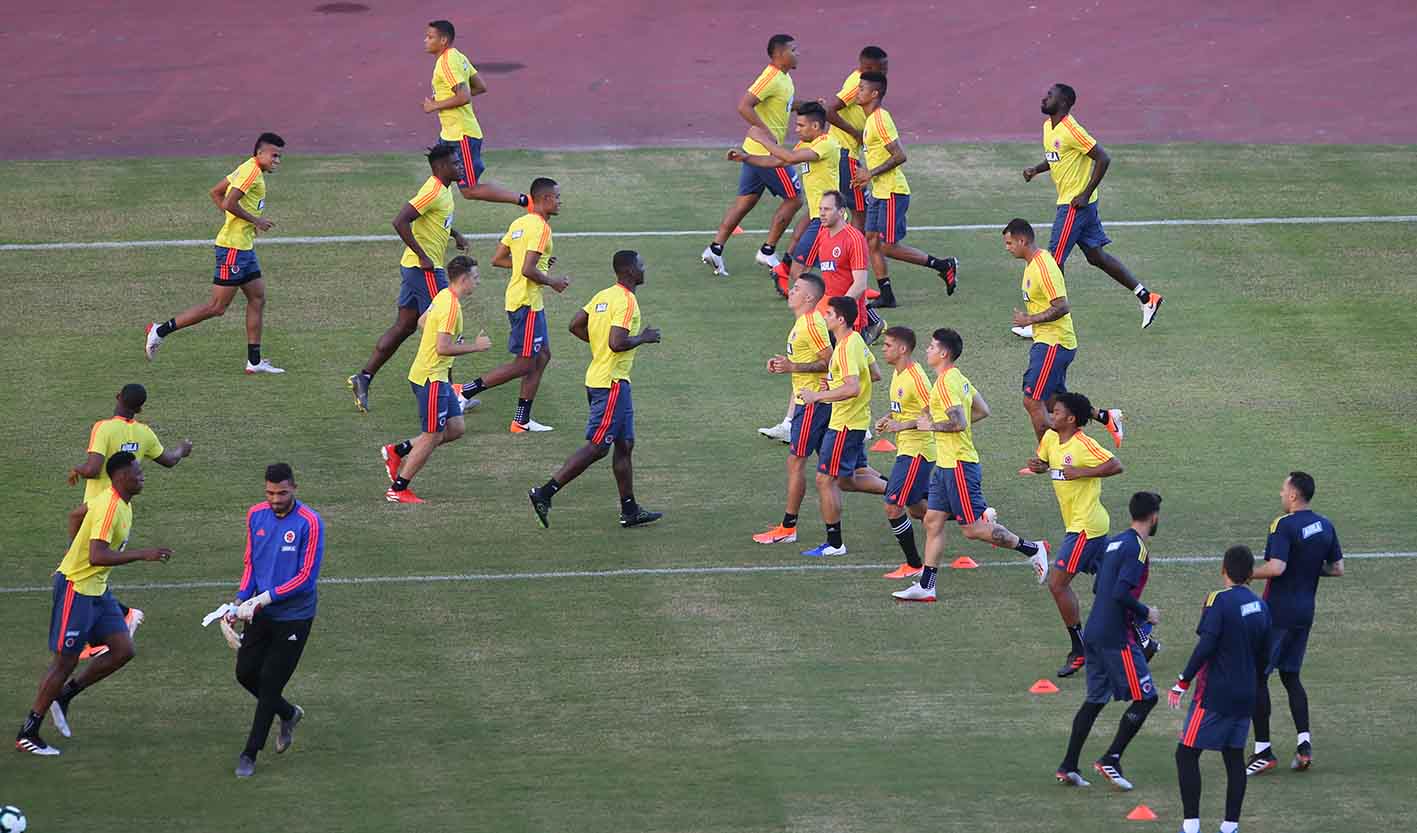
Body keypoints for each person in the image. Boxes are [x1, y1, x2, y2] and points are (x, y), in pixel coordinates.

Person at [15, 453, 173, 756]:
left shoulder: (118, 501)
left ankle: (64, 696)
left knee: (123, 650)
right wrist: (143, 554)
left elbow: (76, 515)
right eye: (137, 472)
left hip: (98, 591)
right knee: (65, 661)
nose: (142, 476)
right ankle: (28, 732)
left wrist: (73, 548)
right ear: (121, 477)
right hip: (77, 588)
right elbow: (97, 555)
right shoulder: (111, 507)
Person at [892, 328, 1047, 602]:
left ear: (943, 353)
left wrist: (933, 427)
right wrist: (910, 424)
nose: (927, 350)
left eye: (931, 346)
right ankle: (927, 586)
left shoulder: (945, 384)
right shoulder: (957, 378)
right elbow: (982, 410)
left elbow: (959, 422)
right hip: (945, 466)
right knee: (932, 521)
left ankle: (1033, 549)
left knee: (973, 529)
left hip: (959, 466)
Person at [528, 252, 663, 528]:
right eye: (640, 264)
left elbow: (575, 325)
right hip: (611, 384)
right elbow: (617, 343)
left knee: (624, 444)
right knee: (599, 447)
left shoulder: (603, 295)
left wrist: (599, 343)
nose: (644, 268)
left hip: (605, 380)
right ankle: (544, 493)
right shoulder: (627, 301)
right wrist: (644, 338)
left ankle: (630, 509)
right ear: (629, 271)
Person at [1022, 83, 1163, 331]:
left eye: (1050, 96)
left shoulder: (1072, 130)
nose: (1044, 98)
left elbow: (1103, 157)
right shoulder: (1048, 127)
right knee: (1096, 256)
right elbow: (1057, 157)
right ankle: (1146, 297)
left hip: (1074, 205)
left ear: (1063, 103)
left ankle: (1049, 319)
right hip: (1079, 204)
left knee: (1053, 261)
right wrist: (1036, 169)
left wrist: (1085, 194)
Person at [66, 383, 191, 659]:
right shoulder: (144, 433)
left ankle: (99, 634)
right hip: (121, 514)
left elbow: (93, 468)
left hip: (97, 510)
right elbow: (169, 460)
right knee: (89, 573)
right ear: (140, 408)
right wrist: (182, 449)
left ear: (118, 397)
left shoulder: (103, 428)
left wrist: (77, 469)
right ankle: (119, 618)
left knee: (80, 574)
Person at [145, 133, 287, 374]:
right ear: (260, 153)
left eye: (279, 157)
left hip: (244, 248)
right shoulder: (251, 173)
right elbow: (229, 202)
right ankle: (159, 331)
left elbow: (215, 192)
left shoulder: (247, 167)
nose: (277, 161)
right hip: (232, 250)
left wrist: (239, 222)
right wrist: (255, 221)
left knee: (257, 298)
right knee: (217, 307)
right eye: (274, 156)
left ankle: (254, 362)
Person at [348, 146, 471, 412]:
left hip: (415, 269)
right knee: (444, 327)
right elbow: (400, 221)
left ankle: (363, 377)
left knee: (404, 326)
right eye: (455, 163)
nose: (460, 166)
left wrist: (455, 234)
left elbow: (435, 219)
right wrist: (423, 256)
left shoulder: (444, 189)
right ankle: (450, 395)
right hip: (426, 271)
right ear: (441, 167)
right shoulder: (433, 191)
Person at [1055, 491, 1163, 790]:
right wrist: (1147, 612)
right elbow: (1119, 593)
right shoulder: (1137, 549)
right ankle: (1111, 759)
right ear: (1153, 517)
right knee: (1147, 697)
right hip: (1116, 637)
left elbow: (1099, 587)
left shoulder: (1116, 542)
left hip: (1093, 632)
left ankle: (1068, 766)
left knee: (1095, 699)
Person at [227, 463, 324, 778]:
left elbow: (306, 578)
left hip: (294, 617)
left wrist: (263, 598)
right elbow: (250, 564)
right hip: (260, 612)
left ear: (294, 488)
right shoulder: (256, 515)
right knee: (245, 673)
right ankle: (288, 713)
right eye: (270, 493)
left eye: (282, 493)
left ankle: (250, 752)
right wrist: (239, 601)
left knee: (269, 682)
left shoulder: (310, 522)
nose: (275, 499)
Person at [1168, 546, 1272, 833]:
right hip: (1247, 695)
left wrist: (1182, 681)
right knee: (1234, 756)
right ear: (1251, 574)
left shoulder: (1217, 600)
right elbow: (1265, 657)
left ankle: (1191, 827)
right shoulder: (1261, 606)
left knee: (1186, 754)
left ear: (1223, 569)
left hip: (1215, 694)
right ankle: (1230, 827)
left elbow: (1207, 645)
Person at [756, 192, 874, 443]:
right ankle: (790, 423)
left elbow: (860, 283)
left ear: (841, 212)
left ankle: (859, 425)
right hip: (825, 316)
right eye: (820, 208)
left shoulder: (854, 238)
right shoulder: (822, 233)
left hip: (847, 319)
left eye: (827, 209)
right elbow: (805, 268)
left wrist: (839, 311)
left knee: (850, 372)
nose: (821, 213)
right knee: (807, 362)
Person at [1247, 471, 1344, 775]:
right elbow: (1337, 568)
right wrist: (1308, 569)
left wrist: (1246, 574)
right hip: (1305, 613)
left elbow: (1277, 567)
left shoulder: (1283, 525)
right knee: (1291, 676)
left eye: (1283, 489)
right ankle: (1304, 746)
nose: (1280, 494)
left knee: (1257, 678)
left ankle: (1263, 751)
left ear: (1293, 495)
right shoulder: (1325, 525)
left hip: (1278, 613)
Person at [456, 178, 570, 432]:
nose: (560, 202)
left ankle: (521, 420)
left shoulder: (520, 223)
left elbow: (498, 259)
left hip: (525, 301)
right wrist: (552, 281)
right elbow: (528, 269)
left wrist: (541, 266)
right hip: (526, 303)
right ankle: (464, 391)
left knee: (542, 356)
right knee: (525, 364)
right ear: (545, 199)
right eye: (557, 197)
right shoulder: (541, 228)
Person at [1002, 218, 1125, 446]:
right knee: (1055, 403)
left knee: (1032, 401)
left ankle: (1047, 456)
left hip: (1053, 343)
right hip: (1048, 341)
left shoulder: (1044, 267)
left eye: (1009, 243)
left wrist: (1029, 320)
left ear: (1022, 240)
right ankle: (1105, 417)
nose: (1007, 248)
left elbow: (1062, 306)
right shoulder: (1032, 264)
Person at [1026, 392, 1123, 676]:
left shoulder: (1084, 444)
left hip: (1086, 527)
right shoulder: (1050, 439)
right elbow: (1047, 463)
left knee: (1057, 584)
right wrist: (1040, 467)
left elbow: (1116, 465)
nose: (1050, 415)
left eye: (1056, 412)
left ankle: (1080, 649)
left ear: (1070, 419)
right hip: (1080, 524)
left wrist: (1081, 471)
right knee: (1111, 585)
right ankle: (1143, 637)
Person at [382, 257, 491, 503]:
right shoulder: (451, 307)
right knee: (431, 435)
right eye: (475, 277)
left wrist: (439, 338)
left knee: (456, 428)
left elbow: (423, 321)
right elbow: (443, 348)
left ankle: (397, 451)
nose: (478, 282)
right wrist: (476, 346)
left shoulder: (443, 295)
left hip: (434, 375)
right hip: (431, 379)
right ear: (463, 279)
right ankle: (398, 489)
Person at [850, 72, 958, 308]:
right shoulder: (870, 120)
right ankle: (887, 295)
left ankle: (943, 265)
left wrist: (870, 173)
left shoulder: (880, 119)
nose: (857, 92)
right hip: (879, 192)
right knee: (872, 241)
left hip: (892, 192)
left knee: (887, 246)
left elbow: (900, 155)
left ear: (874, 94)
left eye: (862, 89)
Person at [701, 34, 802, 277]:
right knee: (795, 199)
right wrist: (766, 133)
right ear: (779, 55)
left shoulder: (784, 78)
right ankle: (768, 251)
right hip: (766, 153)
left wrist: (811, 106)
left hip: (753, 151)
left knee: (745, 202)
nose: (798, 53)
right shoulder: (770, 77)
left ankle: (715, 249)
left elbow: (785, 104)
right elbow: (744, 105)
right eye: (793, 50)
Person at [798, 296, 886, 556]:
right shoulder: (856, 340)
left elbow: (853, 387)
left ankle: (835, 544)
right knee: (847, 479)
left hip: (844, 424)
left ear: (841, 319)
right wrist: (835, 384)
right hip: (854, 421)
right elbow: (874, 374)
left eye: (828, 314)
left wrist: (818, 396)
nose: (824, 317)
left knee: (825, 479)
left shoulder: (846, 347)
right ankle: (904, 490)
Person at [752, 274, 833, 545]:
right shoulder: (802, 323)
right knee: (847, 475)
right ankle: (914, 497)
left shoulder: (812, 324)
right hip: (808, 403)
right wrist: (783, 364)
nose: (791, 290)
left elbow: (830, 362)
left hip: (812, 404)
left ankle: (788, 528)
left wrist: (793, 367)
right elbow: (806, 359)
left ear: (809, 297)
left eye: (796, 288)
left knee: (796, 461)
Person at [728, 101, 840, 296]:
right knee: (814, 269)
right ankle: (838, 304)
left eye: (800, 125)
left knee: (800, 272)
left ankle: (831, 307)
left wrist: (761, 139)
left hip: (827, 220)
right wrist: (746, 158)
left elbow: (789, 158)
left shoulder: (826, 144)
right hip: (818, 215)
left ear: (815, 126)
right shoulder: (807, 144)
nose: (796, 129)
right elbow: (777, 161)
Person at [421, 20, 529, 207]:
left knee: (469, 189)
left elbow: (464, 96)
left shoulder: (446, 63)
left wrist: (435, 105)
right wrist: (447, 99)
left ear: (443, 40)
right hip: (449, 134)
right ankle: (432, 212)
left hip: (461, 135)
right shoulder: (458, 57)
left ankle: (524, 200)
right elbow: (480, 86)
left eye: (430, 37)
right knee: (440, 176)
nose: (425, 40)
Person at [872, 327, 934, 578]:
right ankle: (976, 516)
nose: (883, 349)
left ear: (903, 349)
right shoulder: (898, 374)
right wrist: (888, 418)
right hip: (907, 448)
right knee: (917, 509)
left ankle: (914, 565)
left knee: (892, 507)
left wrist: (902, 425)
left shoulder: (916, 378)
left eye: (888, 345)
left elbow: (934, 413)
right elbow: (905, 407)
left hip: (917, 451)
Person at [823, 46, 888, 232]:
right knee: (860, 212)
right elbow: (829, 111)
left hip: (840, 152)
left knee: (828, 208)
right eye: (882, 68)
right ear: (869, 67)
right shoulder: (858, 84)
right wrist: (855, 133)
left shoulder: (864, 82)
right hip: (845, 153)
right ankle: (854, 251)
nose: (886, 72)